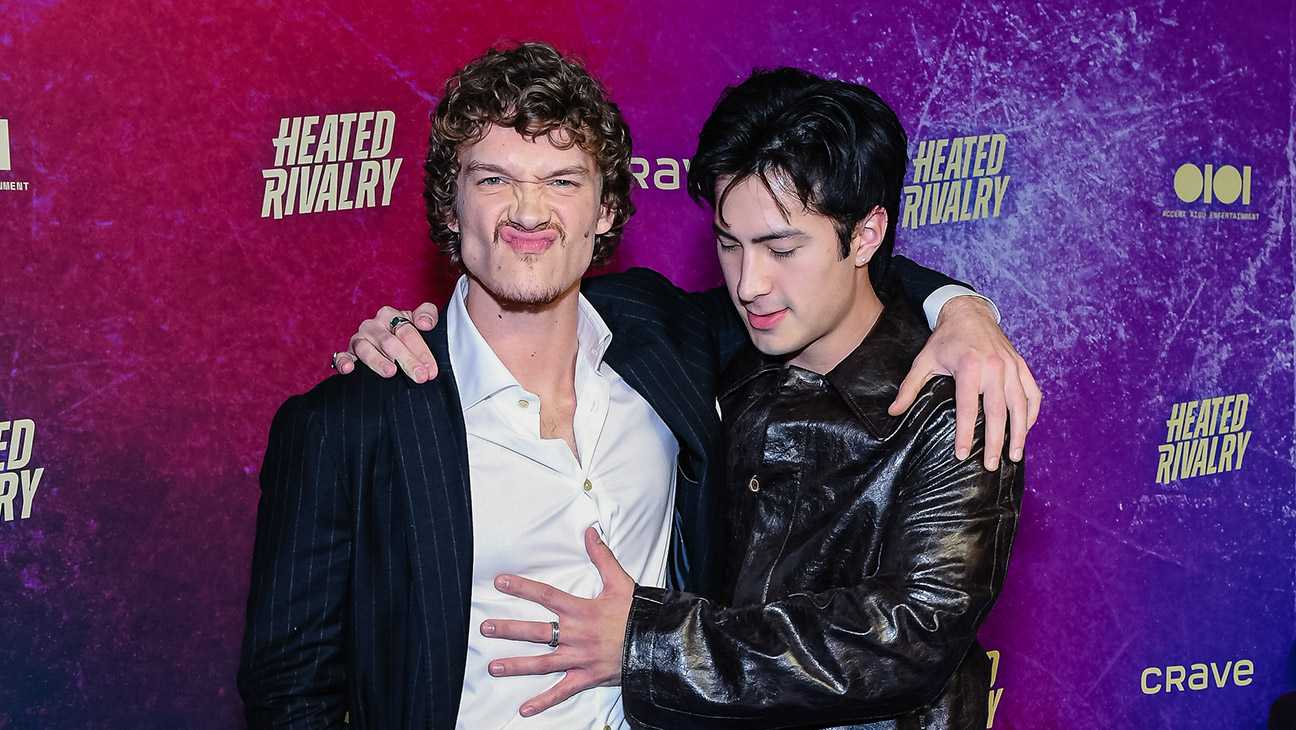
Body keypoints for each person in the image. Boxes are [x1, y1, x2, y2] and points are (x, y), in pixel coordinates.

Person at [244, 43, 1035, 729]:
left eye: (561, 179)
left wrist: (963, 309)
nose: (527, 211)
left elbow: (845, 288)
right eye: (493, 179)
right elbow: (291, 691)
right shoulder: (353, 419)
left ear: (606, 209)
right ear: (451, 207)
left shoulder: (670, 345)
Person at [475, 68, 1023, 729]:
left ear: (867, 236)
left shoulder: (955, 400)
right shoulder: (706, 336)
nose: (750, 283)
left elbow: (911, 635)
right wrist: (410, 331)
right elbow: (528, 301)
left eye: (782, 248)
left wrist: (646, 641)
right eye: (729, 245)